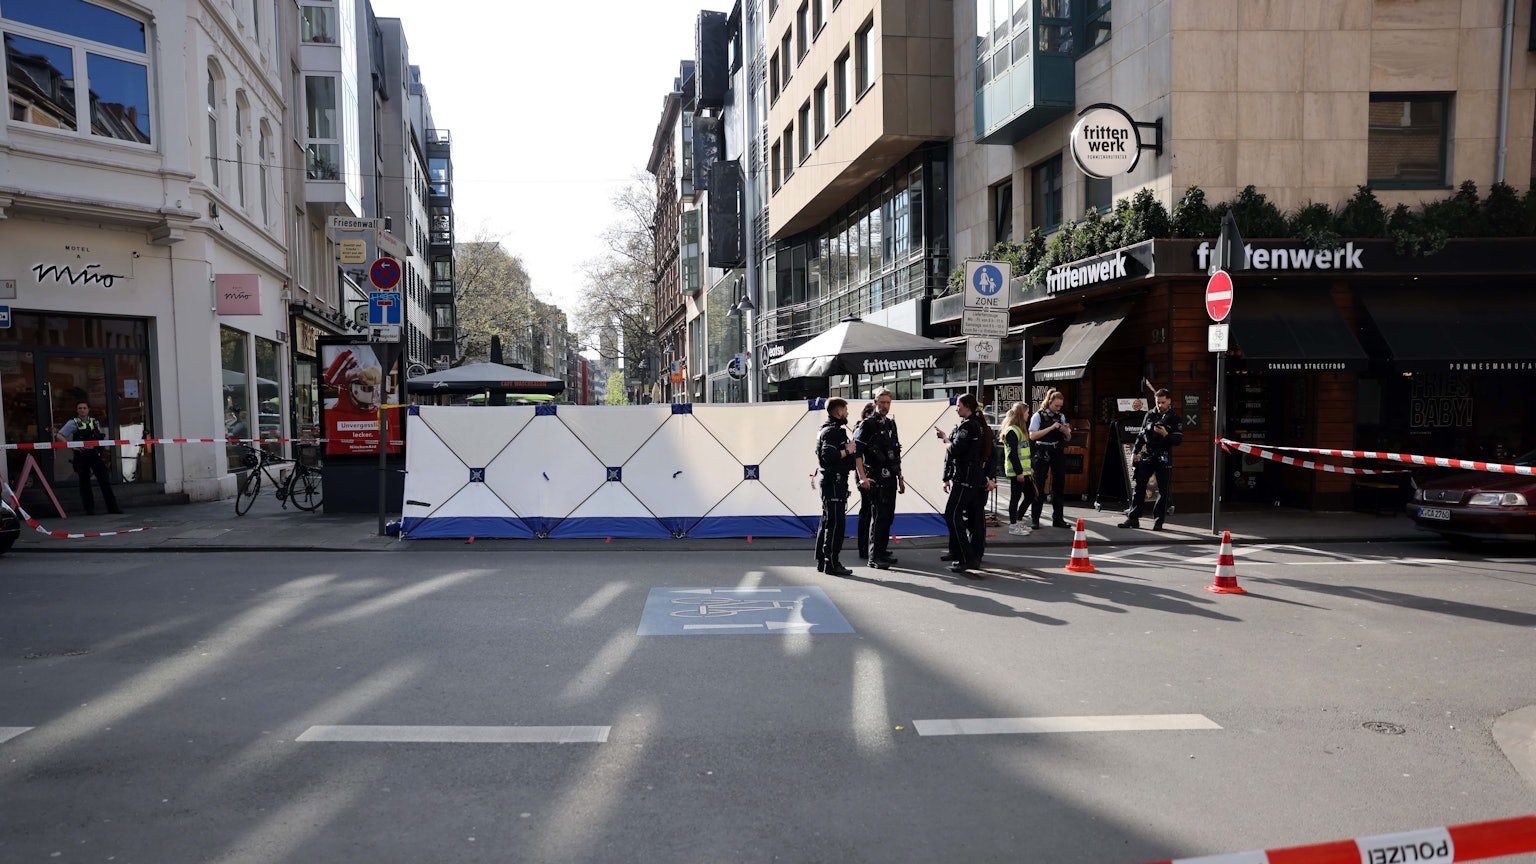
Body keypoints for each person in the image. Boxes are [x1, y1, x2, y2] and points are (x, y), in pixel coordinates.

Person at [936, 393, 993, 575]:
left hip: (966, 477)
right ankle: (966, 553)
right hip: (974, 476)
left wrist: (946, 440)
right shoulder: (980, 426)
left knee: (953, 514)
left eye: (959, 405)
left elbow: (954, 450)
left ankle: (967, 557)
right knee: (967, 517)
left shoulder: (968, 426)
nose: (957, 409)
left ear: (967, 406)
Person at [814, 398, 870, 577]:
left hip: (832, 481)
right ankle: (832, 562)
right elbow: (828, 455)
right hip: (834, 482)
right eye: (845, 410)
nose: (847, 413)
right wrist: (848, 450)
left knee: (828, 521)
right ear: (838, 412)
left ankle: (823, 560)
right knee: (836, 523)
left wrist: (848, 454)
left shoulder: (827, 429)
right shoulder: (833, 431)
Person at [1119, 388, 1184, 530]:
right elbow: (1141, 435)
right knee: (1139, 486)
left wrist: (1166, 434)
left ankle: (1158, 521)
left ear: (1169, 401)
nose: (1160, 405)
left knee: (1163, 490)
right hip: (1147, 453)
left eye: (1163, 402)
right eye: (1157, 402)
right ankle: (1133, 518)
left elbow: (1178, 440)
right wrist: (1135, 452)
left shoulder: (1174, 418)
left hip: (1163, 455)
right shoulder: (1149, 415)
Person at [855, 387, 905, 570]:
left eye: (888, 403)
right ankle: (874, 556)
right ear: (875, 402)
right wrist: (862, 477)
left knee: (888, 516)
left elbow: (895, 453)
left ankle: (882, 551)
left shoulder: (890, 424)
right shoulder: (867, 424)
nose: (885, 406)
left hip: (890, 477)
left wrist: (900, 477)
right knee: (878, 517)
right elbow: (857, 453)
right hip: (875, 477)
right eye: (882, 402)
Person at [54, 401, 122, 516]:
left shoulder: (94, 422)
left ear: (88, 409)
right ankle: (89, 509)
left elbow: (100, 436)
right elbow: (59, 435)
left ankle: (113, 508)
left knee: (104, 480)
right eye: (80, 408)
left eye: (84, 408)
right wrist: (72, 446)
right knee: (84, 483)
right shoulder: (73, 422)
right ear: (77, 410)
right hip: (82, 454)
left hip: (94, 454)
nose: (82, 410)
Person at [1029, 389, 1072, 528]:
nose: (1058, 408)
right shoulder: (1038, 416)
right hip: (1042, 449)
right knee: (1039, 484)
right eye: (1056, 405)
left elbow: (1068, 437)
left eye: (1060, 406)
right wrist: (1051, 428)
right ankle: (1035, 519)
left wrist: (1065, 431)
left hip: (1056, 450)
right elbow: (1032, 436)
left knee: (1059, 484)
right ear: (1049, 402)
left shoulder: (1061, 416)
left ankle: (1058, 519)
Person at [999, 401, 1035, 536]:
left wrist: (1029, 468)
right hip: (1017, 471)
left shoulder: (1019, 430)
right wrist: (1019, 472)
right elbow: (1012, 454)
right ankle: (1013, 526)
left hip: (1024, 471)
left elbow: (1023, 452)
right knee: (1016, 497)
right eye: (1027, 412)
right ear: (1021, 414)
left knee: (1030, 495)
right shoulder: (1012, 431)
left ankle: (1018, 521)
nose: (1028, 415)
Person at [853, 401, 878, 562]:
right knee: (867, 510)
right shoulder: (861, 429)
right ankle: (864, 547)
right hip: (865, 474)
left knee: (874, 511)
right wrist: (862, 476)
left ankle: (875, 546)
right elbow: (858, 454)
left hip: (871, 473)